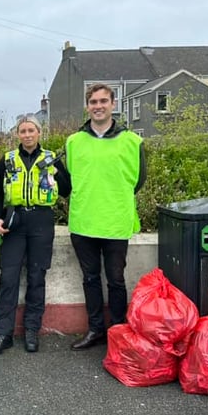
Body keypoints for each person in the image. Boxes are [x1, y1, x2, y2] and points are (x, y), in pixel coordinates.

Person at [66, 83, 146, 351]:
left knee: (116, 280)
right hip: (83, 221)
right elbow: (70, 181)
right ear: (87, 106)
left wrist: (113, 198)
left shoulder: (132, 141)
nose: (98, 106)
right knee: (90, 279)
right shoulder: (74, 141)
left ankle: (118, 331)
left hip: (115, 221)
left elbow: (138, 180)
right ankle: (95, 330)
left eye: (103, 101)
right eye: (93, 102)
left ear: (113, 104)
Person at [0, 115, 71, 356]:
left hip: (41, 221)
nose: (27, 134)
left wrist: (57, 172)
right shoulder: (8, 160)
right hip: (15, 221)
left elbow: (66, 190)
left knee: (37, 277)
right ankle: (4, 333)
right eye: (22, 131)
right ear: (17, 135)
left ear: (39, 133)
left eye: (31, 130)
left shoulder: (50, 159)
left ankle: (32, 330)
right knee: (9, 278)